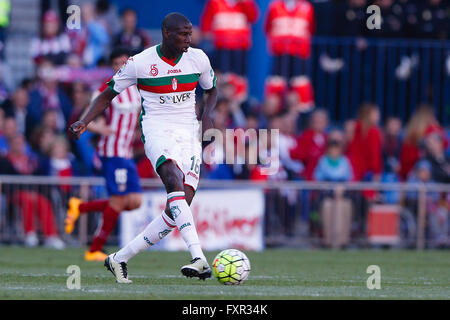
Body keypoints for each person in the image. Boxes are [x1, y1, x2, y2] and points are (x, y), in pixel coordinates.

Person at [69, 13, 218, 283]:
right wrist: (84, 121)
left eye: (190, 33)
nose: (189, 38)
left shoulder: (199, 58)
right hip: (157, 129)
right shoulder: (139, 63)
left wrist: (207, 115)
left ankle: (119, 258)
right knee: (173, 180)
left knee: (179, 206)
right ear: (166, 33)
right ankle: (199, 258)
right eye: (183, 34)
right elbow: (106, 95)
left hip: (189, 132)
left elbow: (212, 89)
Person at [64, 47, 143, 262]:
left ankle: (80, 206)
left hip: (125, 153)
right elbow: (84, 119)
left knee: (135, 201)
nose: (121, 67)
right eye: (117, 64)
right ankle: (94, 249)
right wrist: (102, 129)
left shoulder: (137, 87)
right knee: (118, 200)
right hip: (112, 152)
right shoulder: (107, 88)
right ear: (112, 67)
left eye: (124, 63)